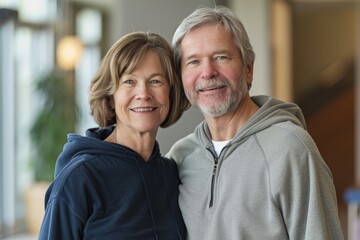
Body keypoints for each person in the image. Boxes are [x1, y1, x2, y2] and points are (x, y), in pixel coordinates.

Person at [167, 6, 344, 240]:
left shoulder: (291, 149)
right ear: (181, 78)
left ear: (248, 69)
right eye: (193, 62)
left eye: (220, 57)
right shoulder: (179, 158)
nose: (207, 72)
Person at [38, 31, 189, 239]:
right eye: (129, 82)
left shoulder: (172, 175)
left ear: (171, 94)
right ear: (110, 97)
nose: (143, 93)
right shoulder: (79, 179)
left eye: (155, 81)